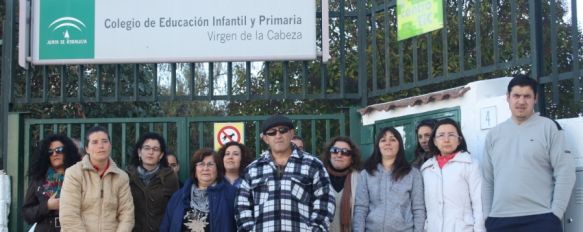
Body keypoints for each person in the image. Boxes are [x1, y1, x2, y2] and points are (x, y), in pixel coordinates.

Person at [482, 75, 575, 231]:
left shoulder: (550, 128)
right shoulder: (494, 135)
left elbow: (565, 171)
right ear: (508, 97)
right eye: (516, 95)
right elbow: (487, 179)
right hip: (500, 221)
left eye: (527, 96)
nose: (521, 101)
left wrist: (556, 214)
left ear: (535, 99)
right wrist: (488, 217)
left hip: (541, 219)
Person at [235, 115, 335, 231]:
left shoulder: (313, 165)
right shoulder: (252, 170)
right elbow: (241, 206)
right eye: (272, 133)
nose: (278, 135)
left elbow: (325, 201)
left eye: (283, 130)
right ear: (266, 139)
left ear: (292, 133)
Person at [59, 126, 134, 231]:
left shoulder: (121, 177)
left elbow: (127, 215)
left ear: (110, 145)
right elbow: (69, 215)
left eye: (104, 141)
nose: (101, 146)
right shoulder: (74, 173)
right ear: (87, 149)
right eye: (95, 142)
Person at [353, 127, 425, 232]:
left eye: (392, 139)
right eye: (383, 140)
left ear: (399, 144)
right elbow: (361, 208)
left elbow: (418, 209)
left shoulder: (413, 174)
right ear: (378, 145)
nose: (388, 143)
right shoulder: (366, 174)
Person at [421, 118, 485, 232]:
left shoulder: (470, 164)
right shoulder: (426, 169)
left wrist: (479, 229)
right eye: (441, 135)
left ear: (459, 140)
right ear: (434, 141)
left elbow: (479, 203)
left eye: (451, 135)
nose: (446, 139)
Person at [160, 148, 237, 232]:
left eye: (210, 164)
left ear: (218, 170)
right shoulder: (179, 196)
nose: (205, 168)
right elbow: (166, 227)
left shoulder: (231, 195)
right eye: (201, 164)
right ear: (195, 171)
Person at [23, 135, 81, 232]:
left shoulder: (78, 176)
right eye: (50, 152)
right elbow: (27, 214)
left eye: (59, 150)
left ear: (67, 151)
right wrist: (47, 206)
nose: (54, 154)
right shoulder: (39, 179)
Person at [127, 132, 179, 232]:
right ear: (139, 152)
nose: (151, 152)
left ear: (161, 155)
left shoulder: (170, 177)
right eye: (146, 148)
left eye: (155, 149)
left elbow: (175, 209)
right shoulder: (127, 176)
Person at [321, 136, 362, 232]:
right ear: (329, 154)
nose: (339, 154)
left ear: (352, 158)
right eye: (335, 150)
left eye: (345, 152)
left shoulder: (360, 179)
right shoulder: (318, 176)